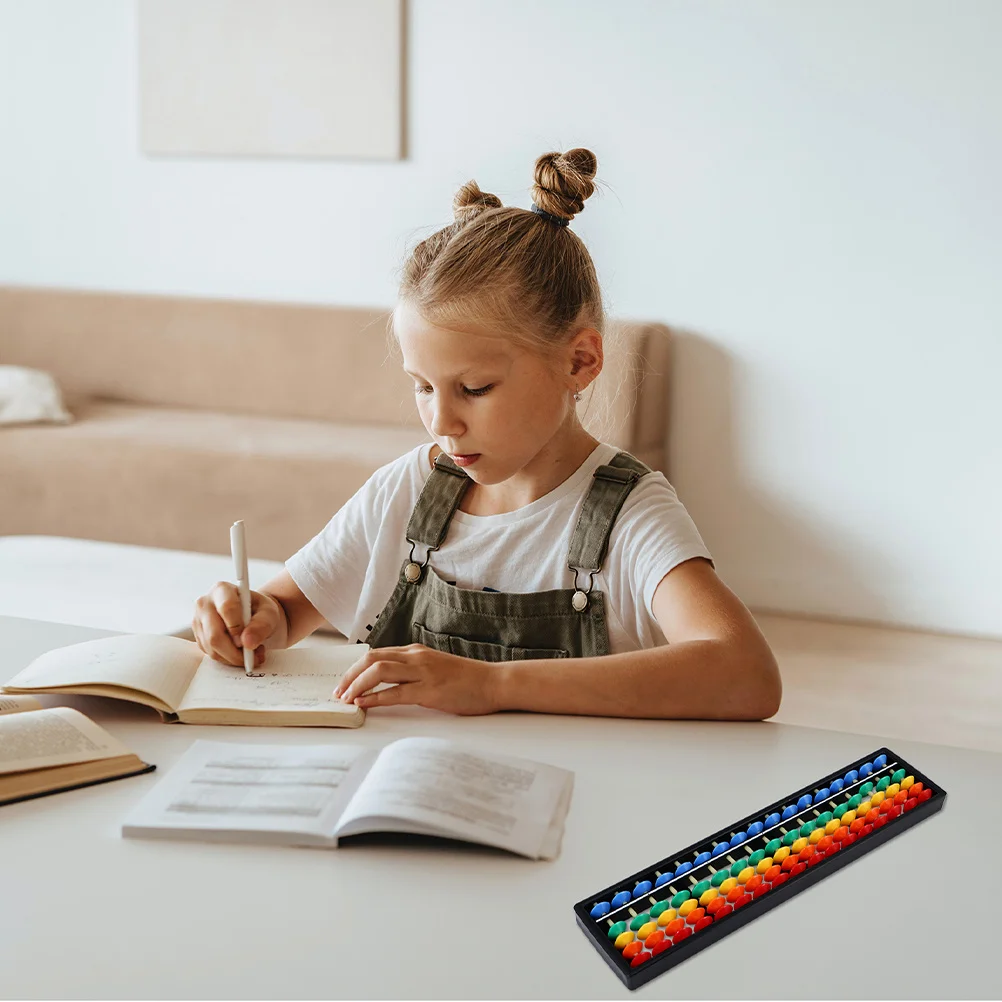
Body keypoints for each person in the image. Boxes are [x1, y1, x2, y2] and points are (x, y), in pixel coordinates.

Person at [192, 148, 781, 720]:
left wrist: (492, 683)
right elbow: (287, 608)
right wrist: (254, 616)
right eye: (423, 386)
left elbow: (746, 674)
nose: (440, 422)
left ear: (579, 361)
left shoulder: (630, 516)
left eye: (474, 388)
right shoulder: (408, 490)